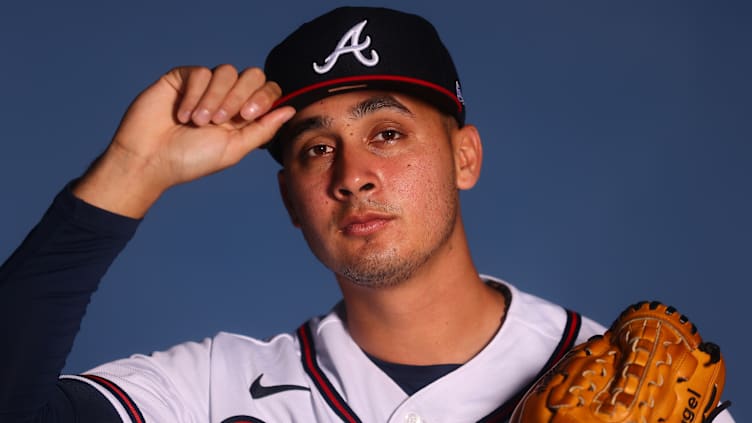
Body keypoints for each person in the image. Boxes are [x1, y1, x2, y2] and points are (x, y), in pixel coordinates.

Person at [0, 6, 734, 423]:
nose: (354, 175)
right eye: (317, 149)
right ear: (292, 197)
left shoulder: (623, 382)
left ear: (465, 158)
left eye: (387, 133)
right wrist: (131, 172)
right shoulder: (214, 388)